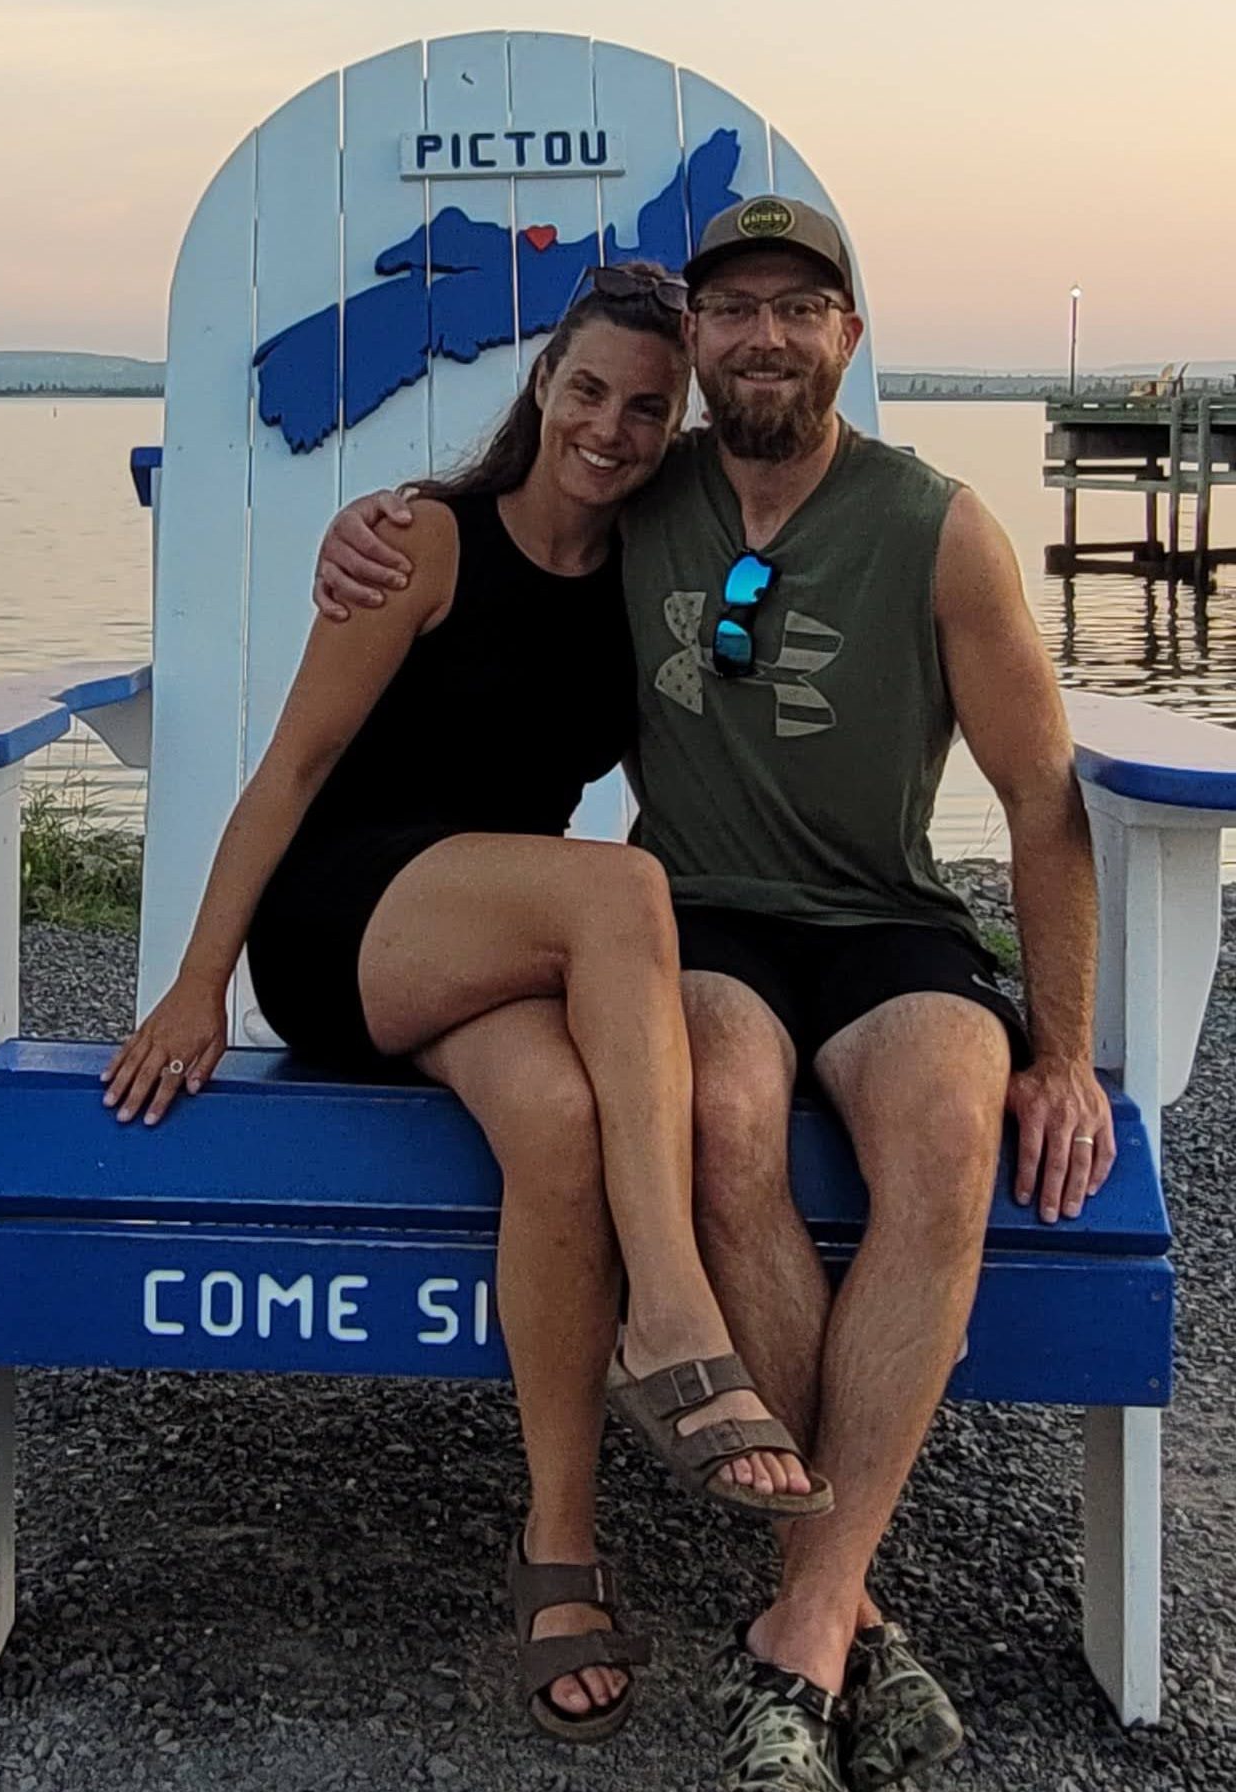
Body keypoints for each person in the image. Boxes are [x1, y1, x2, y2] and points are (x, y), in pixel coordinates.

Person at [311, 198, 1116, 1792]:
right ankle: (836, 1621)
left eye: (796, 310)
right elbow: (513, 527)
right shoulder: (647, 488)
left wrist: (1071, 1051)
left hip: (890, 920)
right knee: (727, 1113)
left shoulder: (937, 526)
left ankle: (810, 1609)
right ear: (700, 348)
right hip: (702, 916)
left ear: (847, 340)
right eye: (733, 309)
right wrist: (369, 522)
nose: (762, 336)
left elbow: (1042, 795)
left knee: (953, 1140)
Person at [103, 266, 833, 1745]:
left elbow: (753, 633)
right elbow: (291, 774)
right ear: (541, 390)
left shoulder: (649, 582)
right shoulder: (423, 544)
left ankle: (559, 1553)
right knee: (613, 890)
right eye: (587, 394)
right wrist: (194, 982)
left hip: (490, 947)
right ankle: (673, 1312)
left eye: (647, 407)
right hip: (345, 923)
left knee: (560, 1117)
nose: (612, 432)